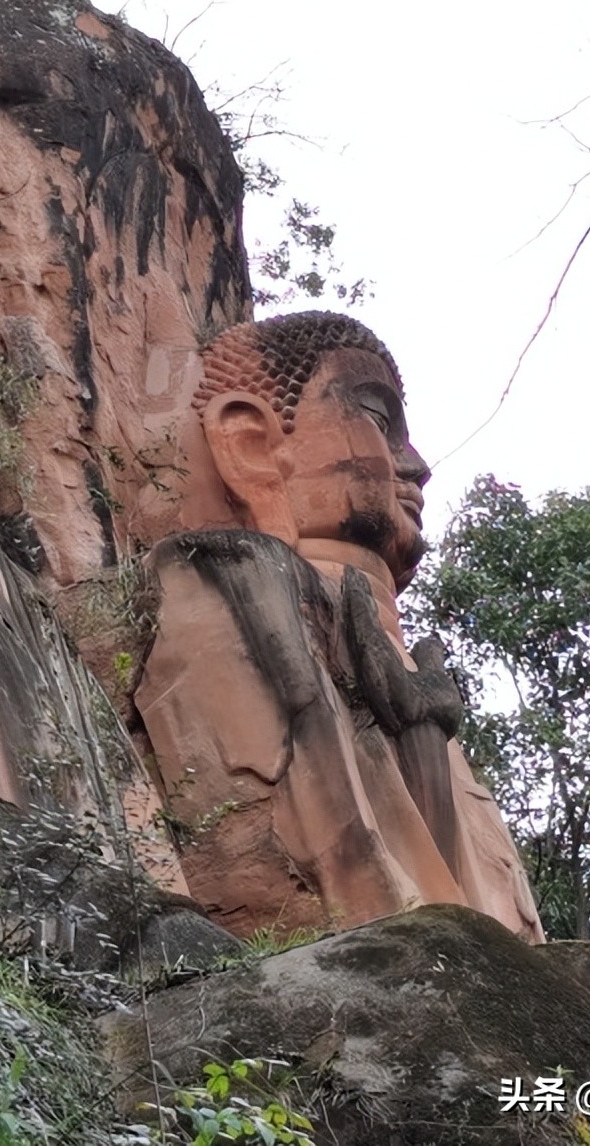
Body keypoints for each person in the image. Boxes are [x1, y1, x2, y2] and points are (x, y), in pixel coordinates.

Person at [133, 311, 544, 942]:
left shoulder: (421, 676)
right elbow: (339, 891)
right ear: (253, 445)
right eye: (380, 420)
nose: (417, 464)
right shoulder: (225, 580)